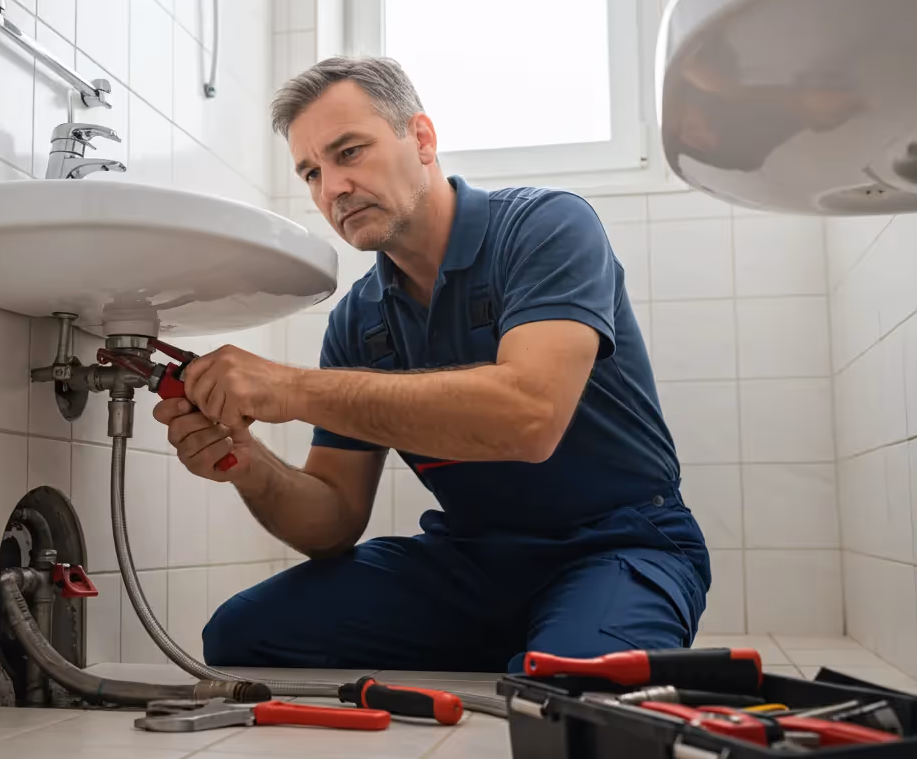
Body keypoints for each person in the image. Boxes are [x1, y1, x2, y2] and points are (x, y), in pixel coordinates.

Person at [153, 56, 710, 673]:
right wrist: (250, 465)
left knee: (572, 687)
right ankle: (538, 638)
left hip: (618, 543)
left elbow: (529, 416)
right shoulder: (358, 321)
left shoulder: (546, 227)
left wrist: (287, 389)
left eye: (349, 152)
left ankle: (566, 636)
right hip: (472, 561)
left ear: (421, 139)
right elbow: (333, 521)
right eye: (311, 172)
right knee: (241, 635)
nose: (331, 188)